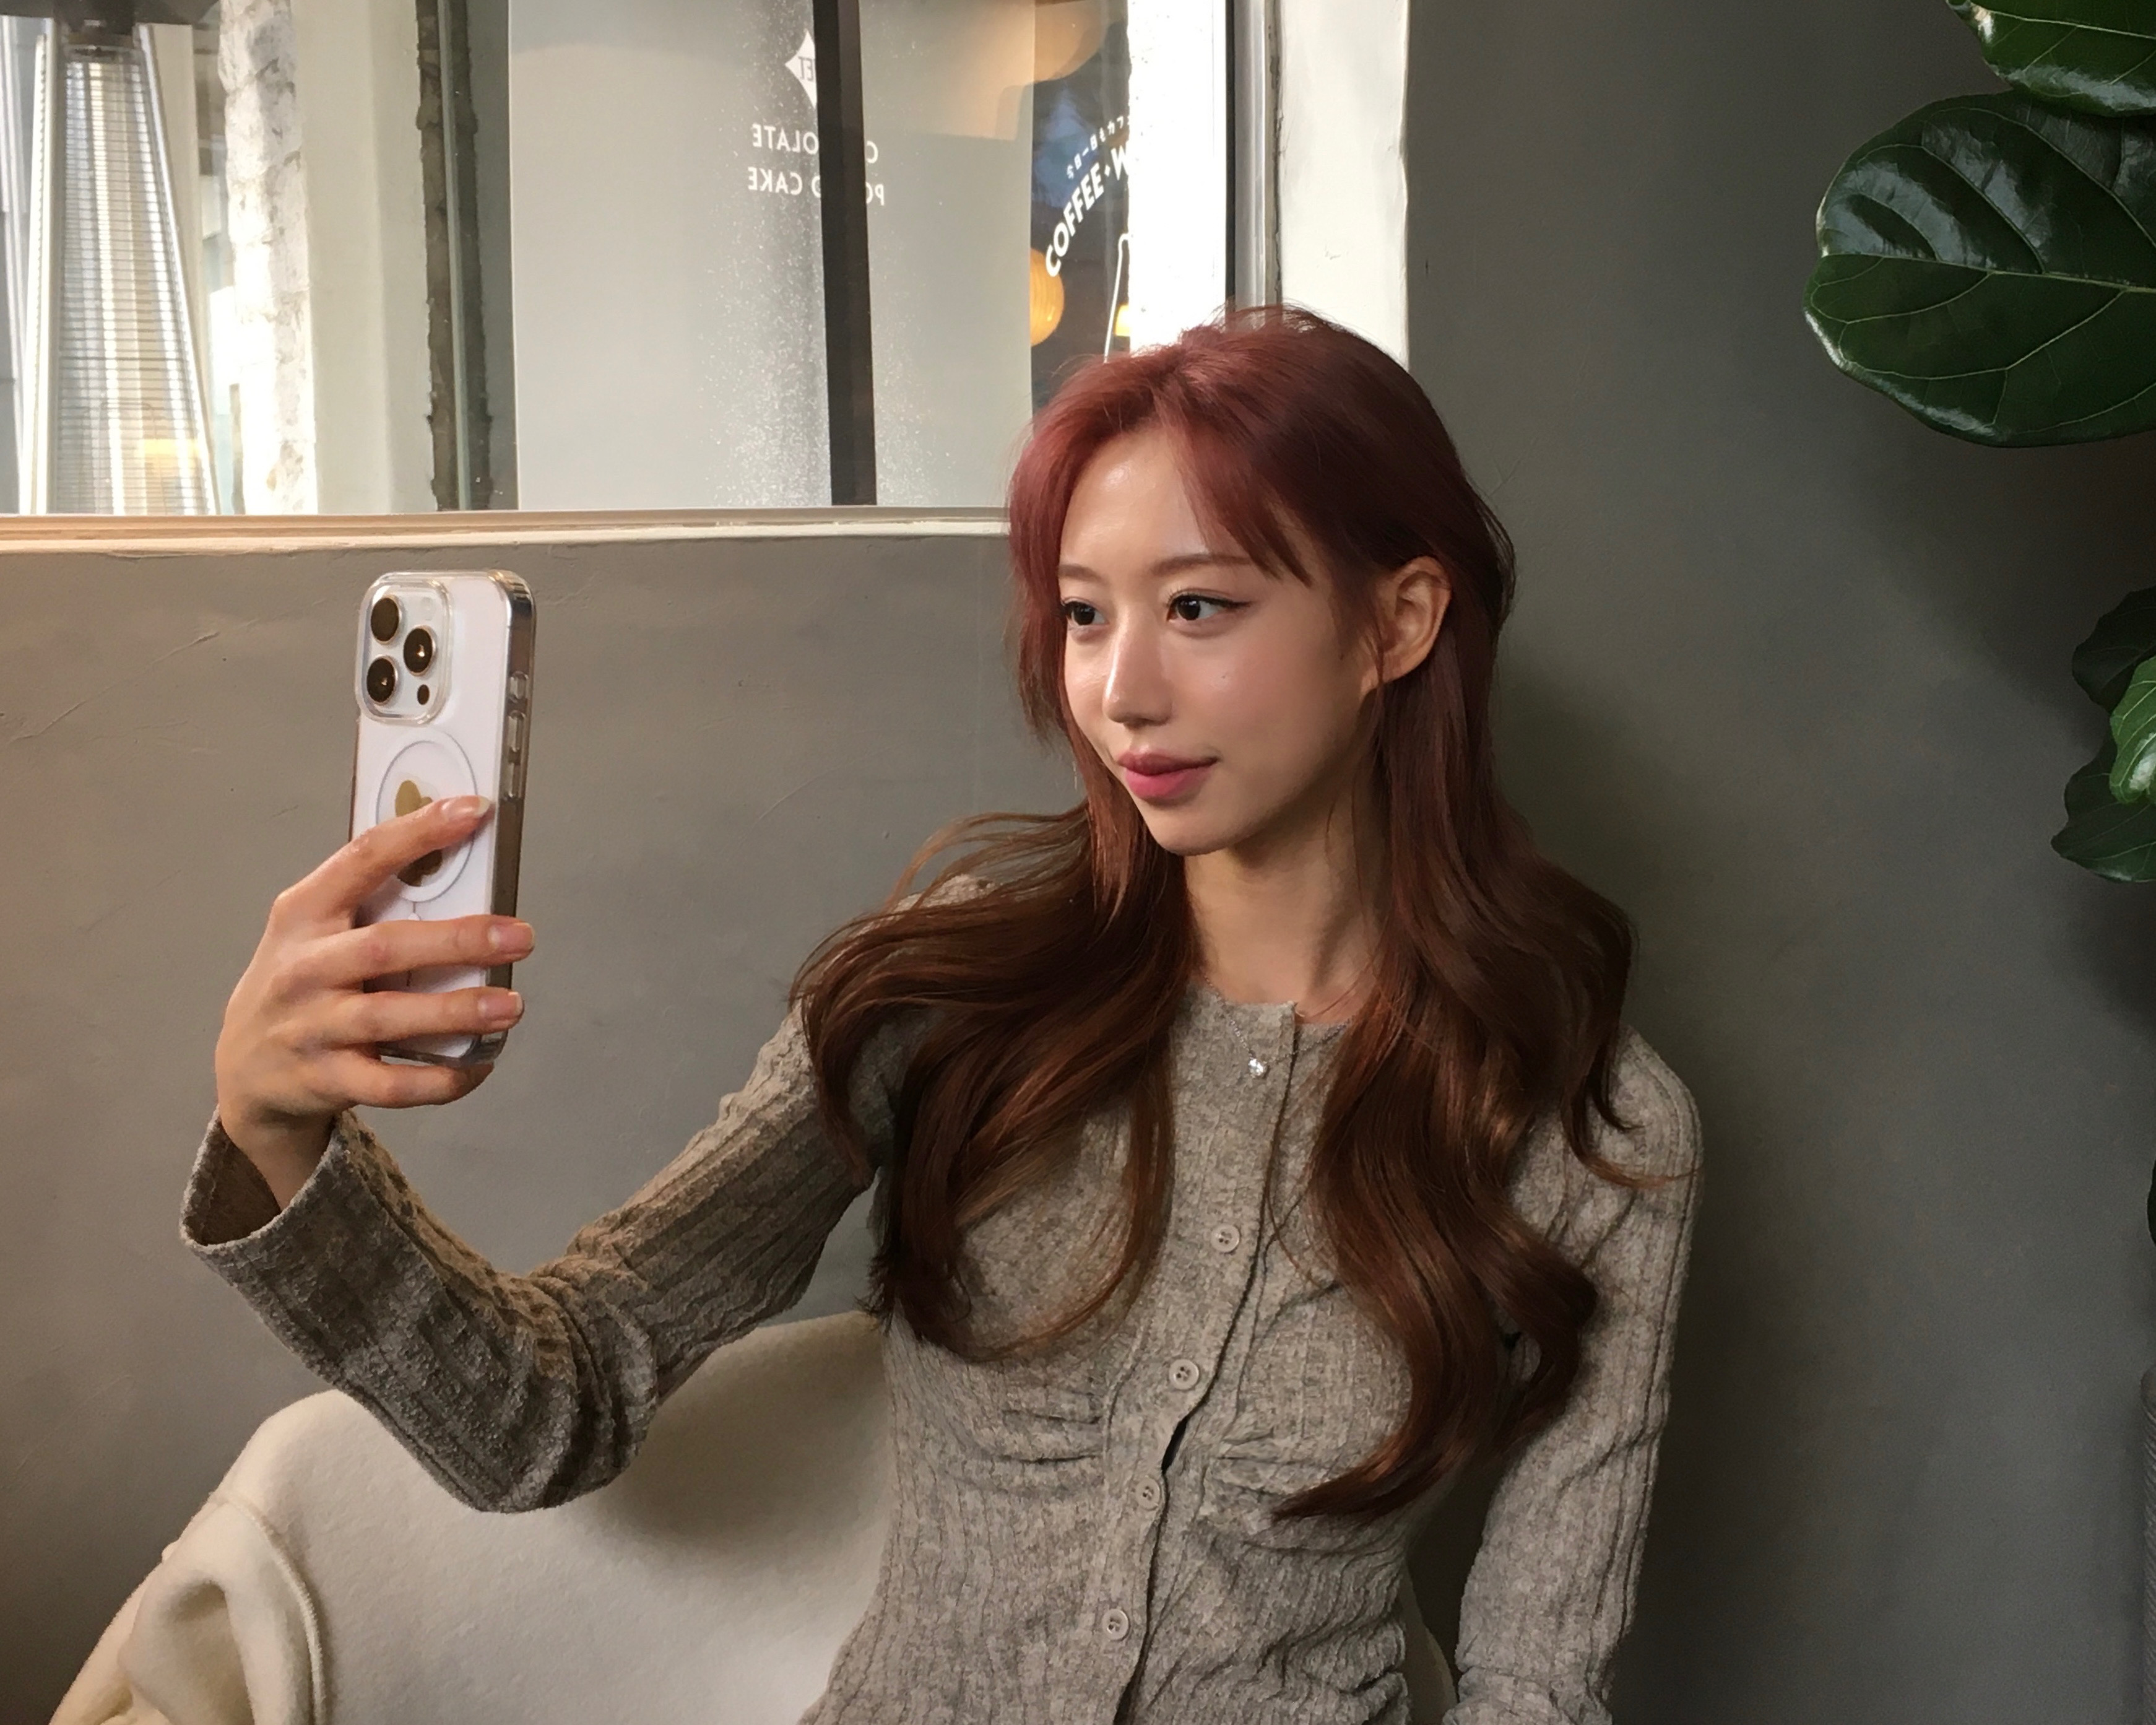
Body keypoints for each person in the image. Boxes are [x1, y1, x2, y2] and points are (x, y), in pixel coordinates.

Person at [186, 307, 1700, 1725]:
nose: (1122, 690)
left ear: (1397, 622)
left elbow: (1532, 1686)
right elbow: (541, 1413)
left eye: (1198, 606)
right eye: (1083, 615)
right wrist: (280, 1138)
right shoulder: (948, 999)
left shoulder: (1595, 1128)